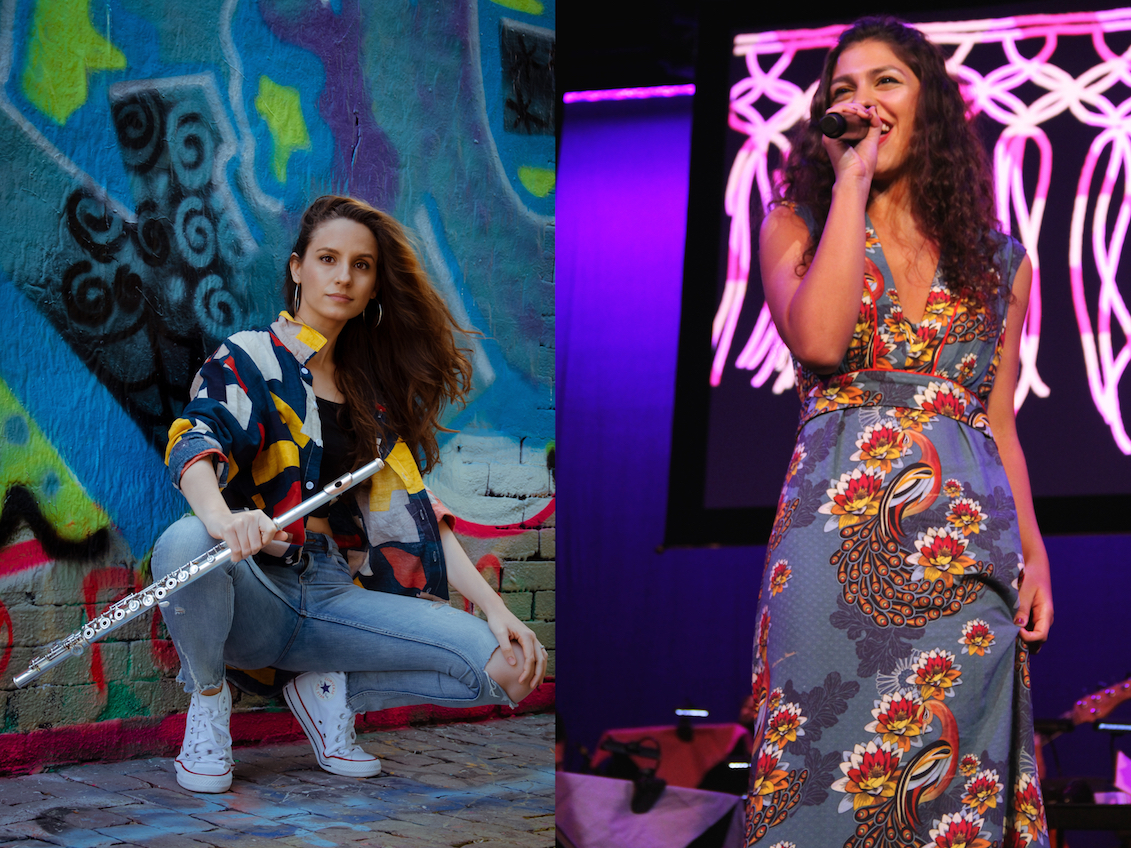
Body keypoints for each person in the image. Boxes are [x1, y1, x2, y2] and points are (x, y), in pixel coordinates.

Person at [746, 17, 1052, 847]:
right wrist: (850, 182)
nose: (863, 100)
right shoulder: (796, 225)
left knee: (955, 791)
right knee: (816, 756)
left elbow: (998, 421)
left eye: (885, 81)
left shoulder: (1000, 263)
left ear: (931, 105)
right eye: (842, 89)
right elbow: (817, 341)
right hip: (835, 543)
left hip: (966, 552)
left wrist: (1032, 549)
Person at [152, 195, 547, 793]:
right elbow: (196, 436)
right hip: (258, 587)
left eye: (360, 265)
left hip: (335, 593)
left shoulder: (372, 392)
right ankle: (208, 703)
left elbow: (421, 512)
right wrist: (222, 516)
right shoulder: (252, 357)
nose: (342, 276)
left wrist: (496, 610)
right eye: (328, 258)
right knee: (185, 542)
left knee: (513, 669)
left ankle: (328, 687)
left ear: (373, 285)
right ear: (296, 268)